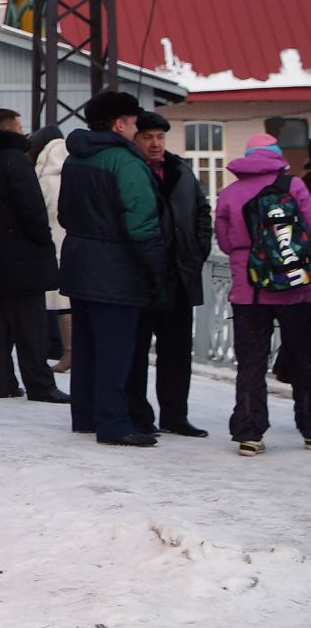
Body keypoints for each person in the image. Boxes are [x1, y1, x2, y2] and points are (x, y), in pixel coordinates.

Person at [57, 91, 163, 447]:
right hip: (116, 270)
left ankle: (85, 415)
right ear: (120, 124)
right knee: (116, 350)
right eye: (134, 123)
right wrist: (156, 268)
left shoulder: (75, 158)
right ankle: (114, 423)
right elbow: (142, 223)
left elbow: (64, 214)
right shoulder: (125, 161)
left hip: (79, 263)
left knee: (86, 347)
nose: (137, 130)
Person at [212, 132, 311, 456]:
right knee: (305, 359)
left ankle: (249, 433)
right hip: (295, 290)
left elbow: (225, 243)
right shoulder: (294, 187)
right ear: (276, 155)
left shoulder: (229, 194)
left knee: (251, 363)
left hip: (248, 293)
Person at [0, 109, 69, 404]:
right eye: (20, 126)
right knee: (31, 325)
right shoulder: (15, 161)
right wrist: (42, 241)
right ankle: (40, 384)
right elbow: (32, 210)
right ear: (11, 130)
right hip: (22, 256)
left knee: (0, 322)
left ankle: (5, 381)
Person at [126, 112, 212, 438]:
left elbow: (202, 213)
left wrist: (197, 252)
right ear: (135, 139)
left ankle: (175, 415)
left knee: (176, 353)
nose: (155, 143)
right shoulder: (131, 171)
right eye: (148, 137)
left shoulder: (181, 170)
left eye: (160, 137)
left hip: (179, 275)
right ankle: (138, 414)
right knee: (136, 352)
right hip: (143, 276)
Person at [30, 125, 73, 373]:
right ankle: (71, 352)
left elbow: (38, 216)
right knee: (71, 304)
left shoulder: (46, 181)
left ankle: (67, 354)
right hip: (73, 248)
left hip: (52, 249)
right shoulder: (72, 174)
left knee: (61, 305)